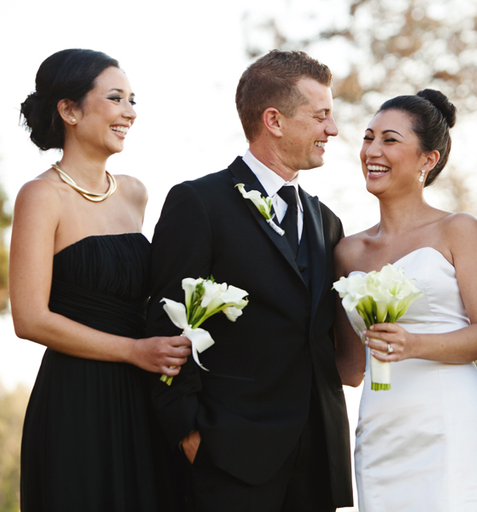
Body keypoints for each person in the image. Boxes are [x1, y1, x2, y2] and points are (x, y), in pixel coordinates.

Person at [146, 50, 353, 512]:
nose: (333, 130)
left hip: (317, 460)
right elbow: (163, 320)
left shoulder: (328, 223)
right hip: (229, 457)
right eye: (321, 116)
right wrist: (190, 433)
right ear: (274, 120)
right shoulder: (198, 203)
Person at [11, 49, 192, 511]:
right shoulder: (40, 196)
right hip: (78, 401)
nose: (129, 112)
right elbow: (30, 319)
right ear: (69, 110)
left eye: (133, 100)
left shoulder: (134, 193)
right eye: (116, 99)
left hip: (146, 395)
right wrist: (133, 351)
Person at [334, 89, 477, 512]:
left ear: (429, 159)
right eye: (368, 137)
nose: (372, 150)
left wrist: (412, 345)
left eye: (390, 140)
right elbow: (351, 369)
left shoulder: (458, 230)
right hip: (379, 430)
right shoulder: (347, 252)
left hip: (449, 422)